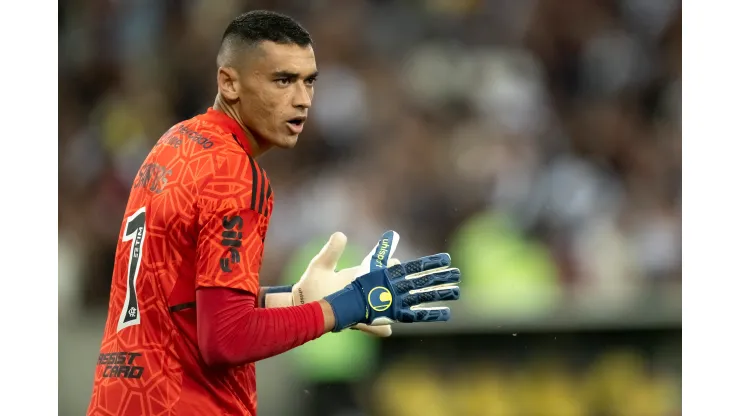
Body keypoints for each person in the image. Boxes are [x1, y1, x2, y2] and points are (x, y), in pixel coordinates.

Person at [86, 10, 460, 416]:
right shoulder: (234, 173)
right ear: (229, 82)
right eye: (282, 80)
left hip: (121, 400)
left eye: (309, 81)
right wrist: (346, 307)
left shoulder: (174, 145)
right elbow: (225, 338)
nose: (302, 99)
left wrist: (297, 299)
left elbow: (186, 306)